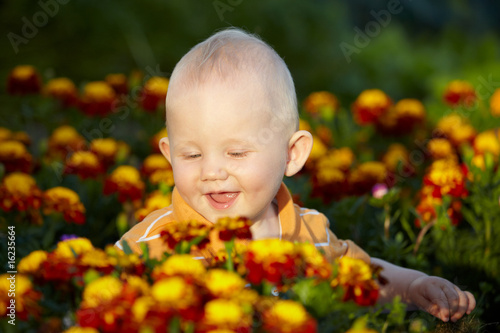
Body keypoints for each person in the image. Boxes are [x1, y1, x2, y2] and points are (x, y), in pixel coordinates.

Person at [115, 28, 475, 323]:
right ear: (168, 157)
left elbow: (361, 277)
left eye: (237, 152)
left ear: (292, 154)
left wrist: (413, 287)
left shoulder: (310, 234)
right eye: (191, 155)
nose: (212, 171)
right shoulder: (148, 247)